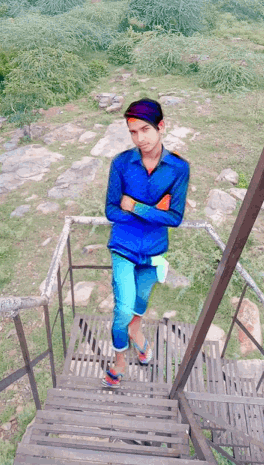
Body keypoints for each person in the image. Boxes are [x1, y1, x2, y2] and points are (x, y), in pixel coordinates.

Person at [102, 98, 190, 388]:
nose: (140, 138)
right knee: (123, 309)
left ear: (161, 127)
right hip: (123, 247)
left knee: (139, 306)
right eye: (133, 132)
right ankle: (119, 362)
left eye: (145, 130)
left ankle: (139, 339)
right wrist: (154, 212)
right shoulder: (121, 164)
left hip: (154, 252)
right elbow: (111, 210)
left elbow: (174, 217)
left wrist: (135, 206)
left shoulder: (178, 168)